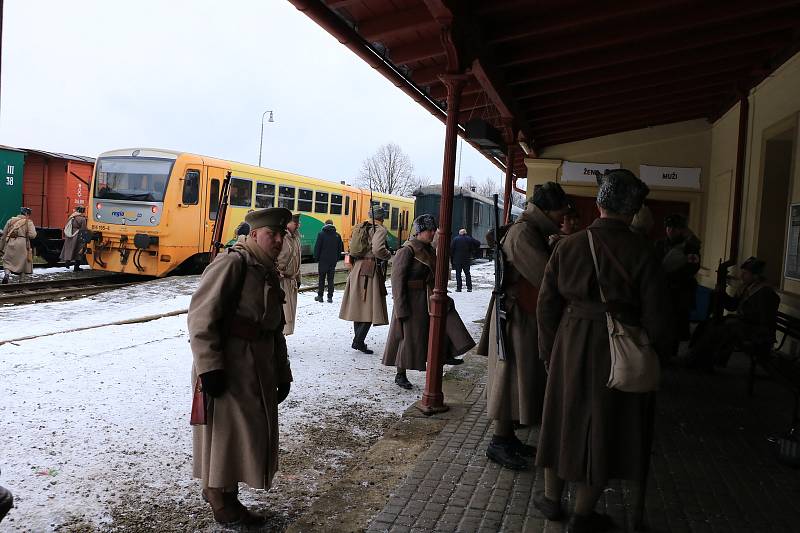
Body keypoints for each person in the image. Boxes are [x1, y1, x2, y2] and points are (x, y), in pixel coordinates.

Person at [534, 169, 668, 533]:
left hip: (571, 341)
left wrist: (549, 351)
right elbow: (657, 316)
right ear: (635, 209)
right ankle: (583, 513)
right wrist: (653, 350)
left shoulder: (568, 245)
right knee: (603, 427)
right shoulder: (644, 251)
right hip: (619, 347)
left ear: (598, 204)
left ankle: (550, 499)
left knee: (561, 416)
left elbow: (546, 306)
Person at [187, 207, 293, 526]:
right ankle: (222, 501)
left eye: (280, 235)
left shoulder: (266, 269)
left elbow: (274, 327)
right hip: (228, 365)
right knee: (227, 435)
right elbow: (200, 318)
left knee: (245, 434)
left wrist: (282, 371)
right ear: (254, 234)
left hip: (256, 365)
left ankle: (222, 490)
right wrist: (210, 368)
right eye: (270, 234)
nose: (276, 240)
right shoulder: (233, 263)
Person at [477, 182, 572, 470]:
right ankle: (498, 441)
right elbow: (547, 278)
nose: (562, 219)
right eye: (560, 212)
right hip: (515, 316)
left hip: (519, 313)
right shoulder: (524, 233)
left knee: (515, 377)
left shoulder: (528, 230)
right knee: (509, 377)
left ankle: (505, 437)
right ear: (547, 209)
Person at [383, 214, 475, 389]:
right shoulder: (406, 251)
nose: (432, 233)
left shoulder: (428, 249)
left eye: (434, 230)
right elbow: (397, 282)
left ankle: (446, 354)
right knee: (407, 338)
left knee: (438, 330)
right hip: (411, 301)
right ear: (419, 232)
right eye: (429, 230)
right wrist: (401, 309)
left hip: (427, 298)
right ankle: (400, 374)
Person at [685, 257, 779, 371]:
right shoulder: (746, 287)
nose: (741, 276)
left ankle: (705, 361)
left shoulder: (765, 292)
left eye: (745, 273)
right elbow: (732, 306)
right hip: (744, 325)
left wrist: (759, 337)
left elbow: (766, 321)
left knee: (723, 329)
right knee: (709, 324)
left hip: (755, 331)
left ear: (755, 276)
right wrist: (721, 294)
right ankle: (696, 358)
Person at [339, 206, 391, 354]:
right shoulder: (379, 229)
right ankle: (358, 341)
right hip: (370, 268)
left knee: (358, 306)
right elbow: (378, 250)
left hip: (357, 267)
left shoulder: (359, 227)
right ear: (382, 217)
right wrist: (388, 255)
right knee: (369, 307)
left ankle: (359, 340)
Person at [655, 214, 701, 360]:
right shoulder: (659, 245)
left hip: (680, 292)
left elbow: (692, 267)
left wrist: (672, 276)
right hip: (662, 291)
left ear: (681, 230)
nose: (670, 231)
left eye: (674, 228)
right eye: (668, 227)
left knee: (676, 326)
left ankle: (671, 354)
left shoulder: (690, 247)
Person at [277, 214, 302, 335]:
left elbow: (298, 259)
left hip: (292, 281)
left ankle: (282, 340)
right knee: (283, 314)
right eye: (295, 223)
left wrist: (298, 277)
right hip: (281, 280)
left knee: (289, 313)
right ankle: (279, 342)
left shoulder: (296, 237)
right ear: (287, 223)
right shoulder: (281, 237)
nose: (297, 225)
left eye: (298, 223)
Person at [0, 207, 36, 284]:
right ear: (28, 214)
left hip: (10, 243)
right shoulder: (28, 222)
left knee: (8, 262)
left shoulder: (10, 221)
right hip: (22, 244)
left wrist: (1, 248)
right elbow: (33, 235)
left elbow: (4, 236)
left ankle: (6, 274)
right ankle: (21, 281)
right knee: (23, 262)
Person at [313, 219, 344, 303]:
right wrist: (337, 259)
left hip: (323, 261)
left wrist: (316, 258)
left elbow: (317, 247)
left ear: (325, 224)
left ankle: (320, 296)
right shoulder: (337, 235)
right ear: (332, 225)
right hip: (332, 261)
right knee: (331, 279)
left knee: (321, 279)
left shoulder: (321, 234)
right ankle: (330, 297)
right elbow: (340, 249)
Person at [60, 205, 88, 271]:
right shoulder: (82, 218)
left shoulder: (71, 216)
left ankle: (67, 263)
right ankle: (76, 267)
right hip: (77, 235)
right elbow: (83, 229)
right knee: (79, 251)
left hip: (69, 234)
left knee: (69, 249)